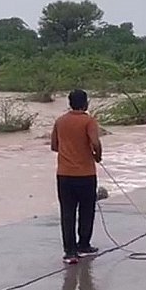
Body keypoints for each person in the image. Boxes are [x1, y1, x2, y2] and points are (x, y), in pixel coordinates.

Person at [50, 89, 102, 264]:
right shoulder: (89, 121)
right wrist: (97, 155)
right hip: (86, 174)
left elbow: (54, 146)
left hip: (64, 175)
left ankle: (70, 252)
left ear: (70, 103)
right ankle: (84, 245)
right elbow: (95, 142)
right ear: (85, 103)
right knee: (87, 211)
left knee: (67, 213)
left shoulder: (60, 121)